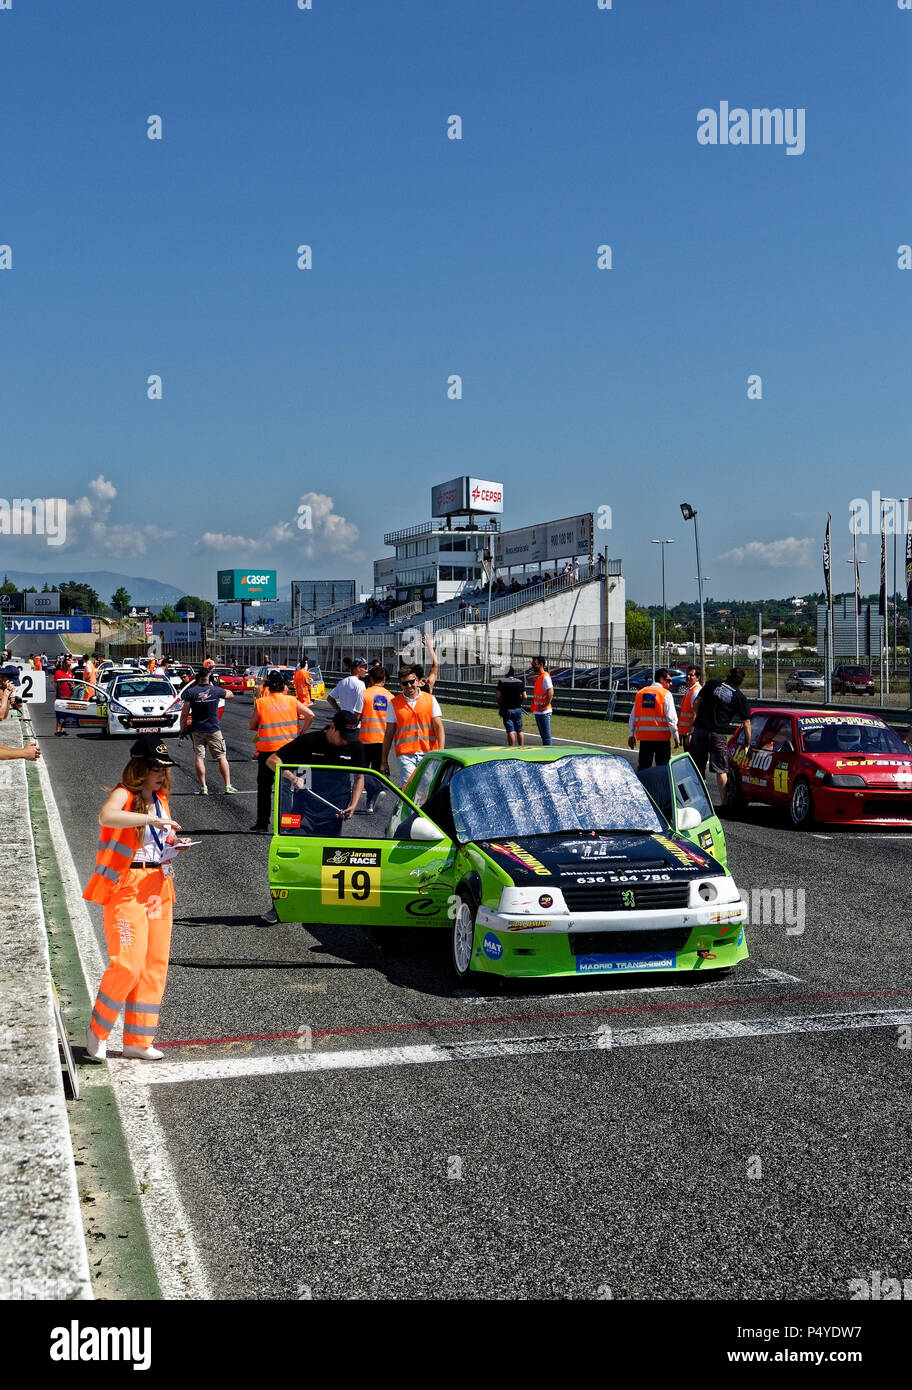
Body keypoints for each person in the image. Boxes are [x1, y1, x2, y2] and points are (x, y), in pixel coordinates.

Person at [83, 735, 191, 1062]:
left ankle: (138, 1041)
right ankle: (98, 1031)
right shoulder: (124, 794)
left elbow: (158, 839)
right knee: (127, 964)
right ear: (139, 768)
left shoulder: (161, 799)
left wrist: (173, 841)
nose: (161, 774)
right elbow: (107, 817)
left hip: (158, 885)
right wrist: (150, 819)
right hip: (126, 885)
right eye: (155, 768)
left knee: (153, 966)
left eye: (164, 768)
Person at [258, 711, 365, 924]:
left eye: (350, 736)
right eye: (343, 735)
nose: (346, 741)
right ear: (332, 727)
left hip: (334, 812)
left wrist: (353, 805)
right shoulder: (309, 741)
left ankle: (327, 908)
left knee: (329, 863)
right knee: (293, 861)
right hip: (302, 810)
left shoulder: (355, 746)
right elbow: (272, 760)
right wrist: (292, 776)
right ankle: (279, 907)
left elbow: (360, 777)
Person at [249, 671, 313, 832]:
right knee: (288, 788)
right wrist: (301, 733)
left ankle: (262, 824)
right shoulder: (292, 700)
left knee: (264, 787)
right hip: (289, 750)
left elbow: (252, 726)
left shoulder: (261, 702)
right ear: (284, 686)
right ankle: (288, 825)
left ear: (268, 686)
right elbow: (310, 715)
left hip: (267, 751)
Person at [689, 667, 752, 804]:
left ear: (728, 675)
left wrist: (699, 719)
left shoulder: (712, 683)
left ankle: (698, 801)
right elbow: (746, 723)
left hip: (700, 730)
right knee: (721, 770)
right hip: (718, 734)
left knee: (697, 767)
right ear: (741, 681)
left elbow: (696, 703)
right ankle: (723, 802)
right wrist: (747, 743)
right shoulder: (739, 697)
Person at [381, 667, 445, 787]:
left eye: (412, 682)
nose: (409, 686)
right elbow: (389, 733)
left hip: (429, 754)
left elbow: (439, 727)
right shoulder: (394, 704)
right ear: (400, 684)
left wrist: (441, 753)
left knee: (426, 789)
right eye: (405, 683)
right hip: (406, 755)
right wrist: (384, 761)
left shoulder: (430, 700)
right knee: (409, 789)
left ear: (417, 681)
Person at [179, 667, 239, 795]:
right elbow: (230, 695)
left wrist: (182, 730)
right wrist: (216, 687)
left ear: (197, 678)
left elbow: (184, 714)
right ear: (210, 678)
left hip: (197, 729)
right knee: (221, 757)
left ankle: (203, 787)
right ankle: (228, 785)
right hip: (213, 729)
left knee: (199, 757)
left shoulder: (191, 692)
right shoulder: (216, 690)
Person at [628, 668, 680, 769]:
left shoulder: (640, 693)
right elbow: (671, 718)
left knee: (643, 768)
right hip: (662, 739)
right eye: (669, 681)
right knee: (662, 769)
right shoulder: (665, 694)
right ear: (661, 679)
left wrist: (631, 734)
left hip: (645, 739)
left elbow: (632, 716)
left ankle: (643, 785)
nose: (671, 684)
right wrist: (676, 735)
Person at [359, 666, 393, 811]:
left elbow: (356, 716)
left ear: (370, 679)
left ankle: (376, 790)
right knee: (378, 771)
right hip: (383, 741)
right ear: (384, 679)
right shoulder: (391, 697)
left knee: (361, 772)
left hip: (365, 739)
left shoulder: (364, 694)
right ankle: (371, 800)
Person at [328, 656, 367, 726]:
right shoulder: (361, 684)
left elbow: (330, 698)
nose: (366, 670)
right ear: (358, 668)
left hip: (343, 722)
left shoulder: (342, 682)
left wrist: (339, 711)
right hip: (355, 725)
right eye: (365, 668)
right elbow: (362, 704)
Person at [495, 666, 526, 747]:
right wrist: (520, 703)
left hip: (506, 709)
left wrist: (500, 704)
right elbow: (525, 696)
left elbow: (497, 696)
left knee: (510, 730)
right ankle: (521, 747)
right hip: (518, 709)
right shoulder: (520, 682)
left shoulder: (502, 682)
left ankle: (511, 748)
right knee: (519, 730)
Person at [530, 655, 554, 745]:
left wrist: (545, 705)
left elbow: (550, 692)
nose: (532, 665)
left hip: (544, 712)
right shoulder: (539, 677)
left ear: (540, 664)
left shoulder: (545, 677)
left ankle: (548, 755)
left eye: (534, 663)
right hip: (538, 711)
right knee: (543, 736)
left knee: (546, 736)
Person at [677, 666, 702, 748]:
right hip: (686, 733)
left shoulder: (696, 691)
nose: (688, 677)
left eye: (691, 675)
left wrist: (690, 733)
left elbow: (696, 714)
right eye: (687, 674)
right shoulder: (690, 690)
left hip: (692, 734)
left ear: (698, 677)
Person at [53, 658, 74, 736]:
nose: (69, 666)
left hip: (69, 695)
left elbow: (72, 683)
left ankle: (63, 729)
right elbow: (55, 684)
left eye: (70, 665)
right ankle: (57, 730)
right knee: (60, 714)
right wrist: (57, 693)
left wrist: (72, 686)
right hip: (61, 696)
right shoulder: (58, 672)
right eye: (68, 665)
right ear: (64, 664)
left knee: (66, 714)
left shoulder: (70, 673)